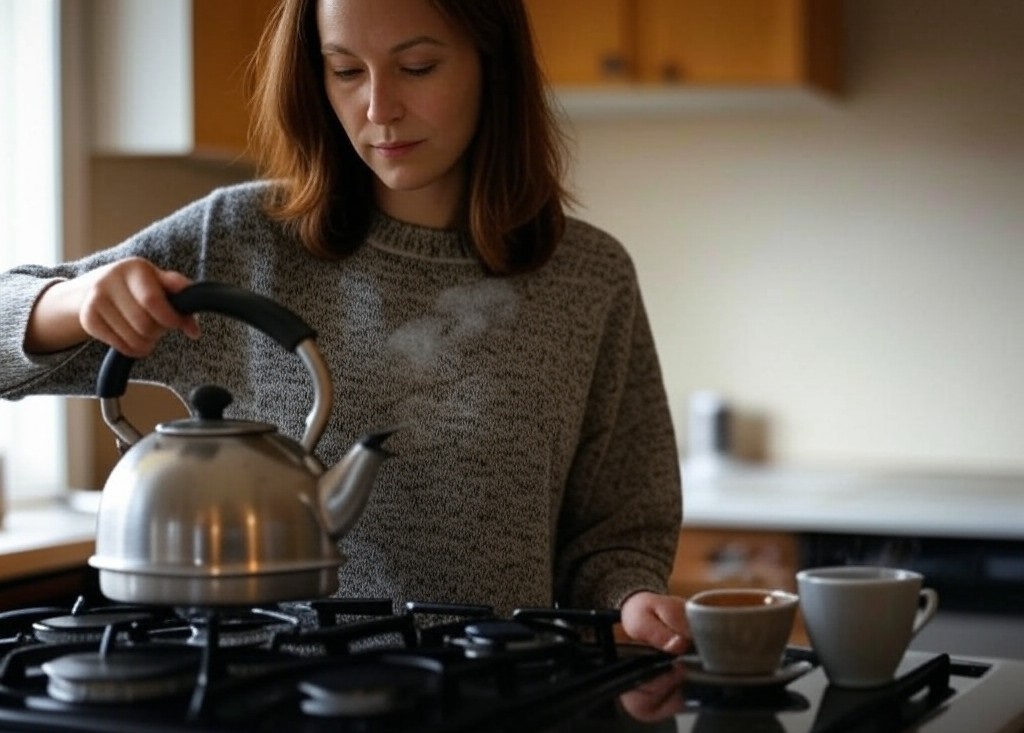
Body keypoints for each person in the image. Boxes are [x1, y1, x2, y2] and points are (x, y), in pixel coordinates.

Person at [0, 0, 688, 653]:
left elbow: (617, 528)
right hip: (262, 702)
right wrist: (73, 298)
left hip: (503, 702)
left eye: (417, 68)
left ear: (492, 63)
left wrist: (631, 595)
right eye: (346, 70)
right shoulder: (239, 241)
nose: (379, 109)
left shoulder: (588, 277)